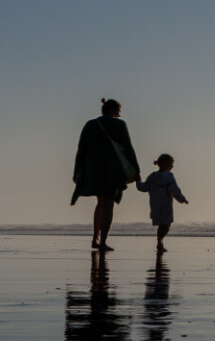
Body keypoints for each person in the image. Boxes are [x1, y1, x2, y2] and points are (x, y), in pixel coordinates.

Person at [72, 99, 140, 251]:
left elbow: (81, 148)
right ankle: (102, 242)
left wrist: (77, 170)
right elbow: (128, 147)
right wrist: (136, 169)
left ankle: (95, 238)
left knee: (100, 203)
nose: (119, 114)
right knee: (108, 205)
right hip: (112, 169)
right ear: (113, 110)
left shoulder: (90, 124)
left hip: (93, 169)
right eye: (118, 110)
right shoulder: (119, 124)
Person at [136, 153, 189, 251]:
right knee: (166, 225)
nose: (172, 166)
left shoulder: (153, 176)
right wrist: (182, 199)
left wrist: (138, 180)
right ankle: (159, 241)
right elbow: (175, 190)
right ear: (165, 164)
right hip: (165, 206)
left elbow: (143, 187)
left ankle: (159, 241)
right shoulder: (169, 176)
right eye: (171, 164)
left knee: (162, 224)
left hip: (155, 206)